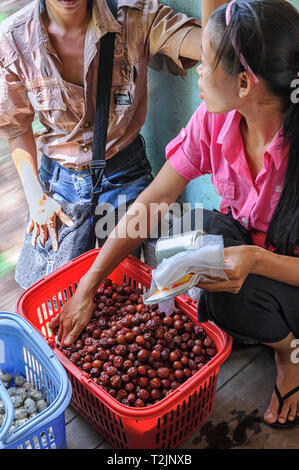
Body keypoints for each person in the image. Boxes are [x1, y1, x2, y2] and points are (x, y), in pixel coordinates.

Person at [50, 0, 299, 428]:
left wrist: (258, 261)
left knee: (229, 301)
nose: (197, 72)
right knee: (184, 237)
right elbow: (153, 200)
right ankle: (260, 323)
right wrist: (90, 283)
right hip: (254, 249)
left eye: (206, 62)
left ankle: (289, 355)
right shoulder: (216, 121)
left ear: (244, 82)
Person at [0, 0, 225, 288]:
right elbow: (16, 127)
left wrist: (214, 12)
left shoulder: (135, 17)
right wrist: (35, 198)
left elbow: (212, 49)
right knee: (56, 292)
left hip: (125, 177)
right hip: (59, 186)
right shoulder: (14, 38)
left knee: (123, 289)